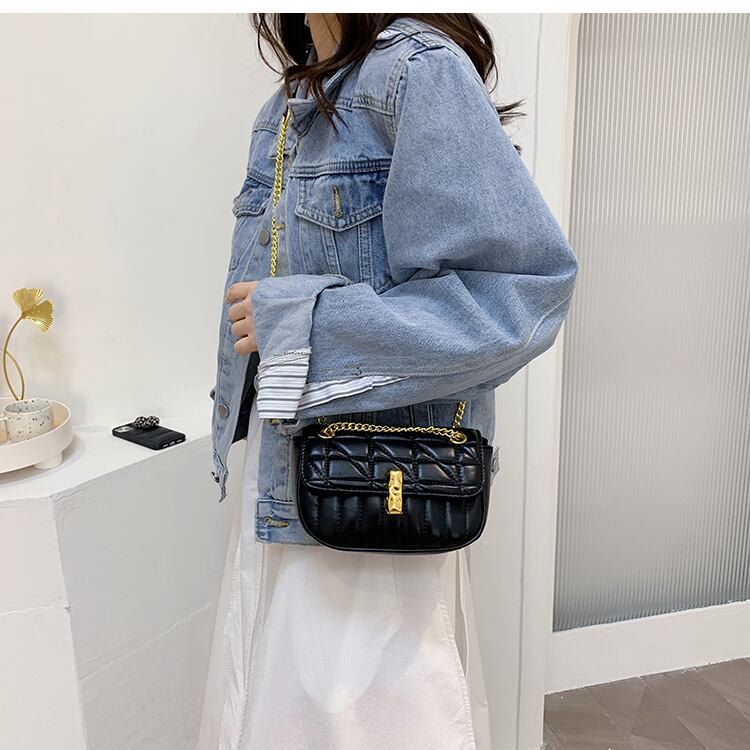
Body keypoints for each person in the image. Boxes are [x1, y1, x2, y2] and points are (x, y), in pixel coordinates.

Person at [199, 13, 578, 749]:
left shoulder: (416, 71)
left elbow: (522, 293)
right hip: (285, 485)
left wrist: (309, 324)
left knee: (357, 717)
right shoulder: (288, 102)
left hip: (370, 498)